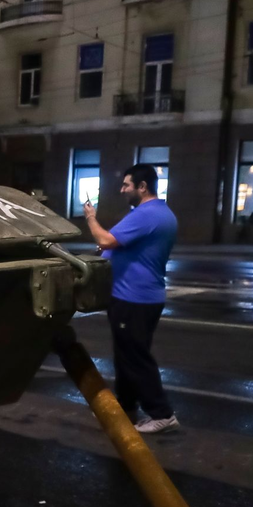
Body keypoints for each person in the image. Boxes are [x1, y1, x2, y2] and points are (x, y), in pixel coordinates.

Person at [84, 164, 179, 434]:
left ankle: (162, 413)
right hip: (138, 297)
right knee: (126, 355)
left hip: (134, 298)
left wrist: (91, 217)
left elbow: (106, 239)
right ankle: (125, 407)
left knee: (135, 358)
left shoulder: (147, 214)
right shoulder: (159, 212)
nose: (122, 189)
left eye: (126, 185)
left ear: (142, 187)